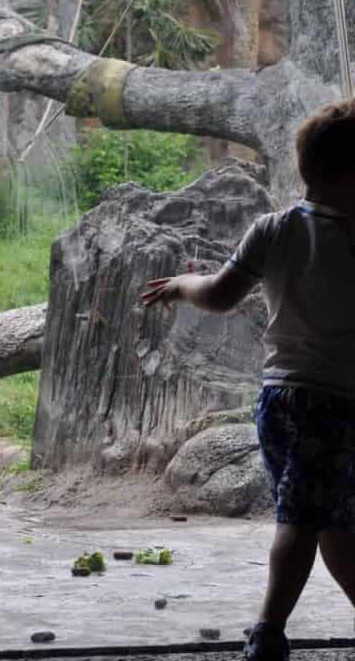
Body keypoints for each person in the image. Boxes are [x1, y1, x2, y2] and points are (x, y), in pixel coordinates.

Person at [142, 99, 355, 661]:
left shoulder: (276, 227)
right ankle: (268, 630)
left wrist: (181, 286)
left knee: (327, 518)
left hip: (281, 397)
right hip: (338, 403)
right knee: (308, 519)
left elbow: (217, 295)